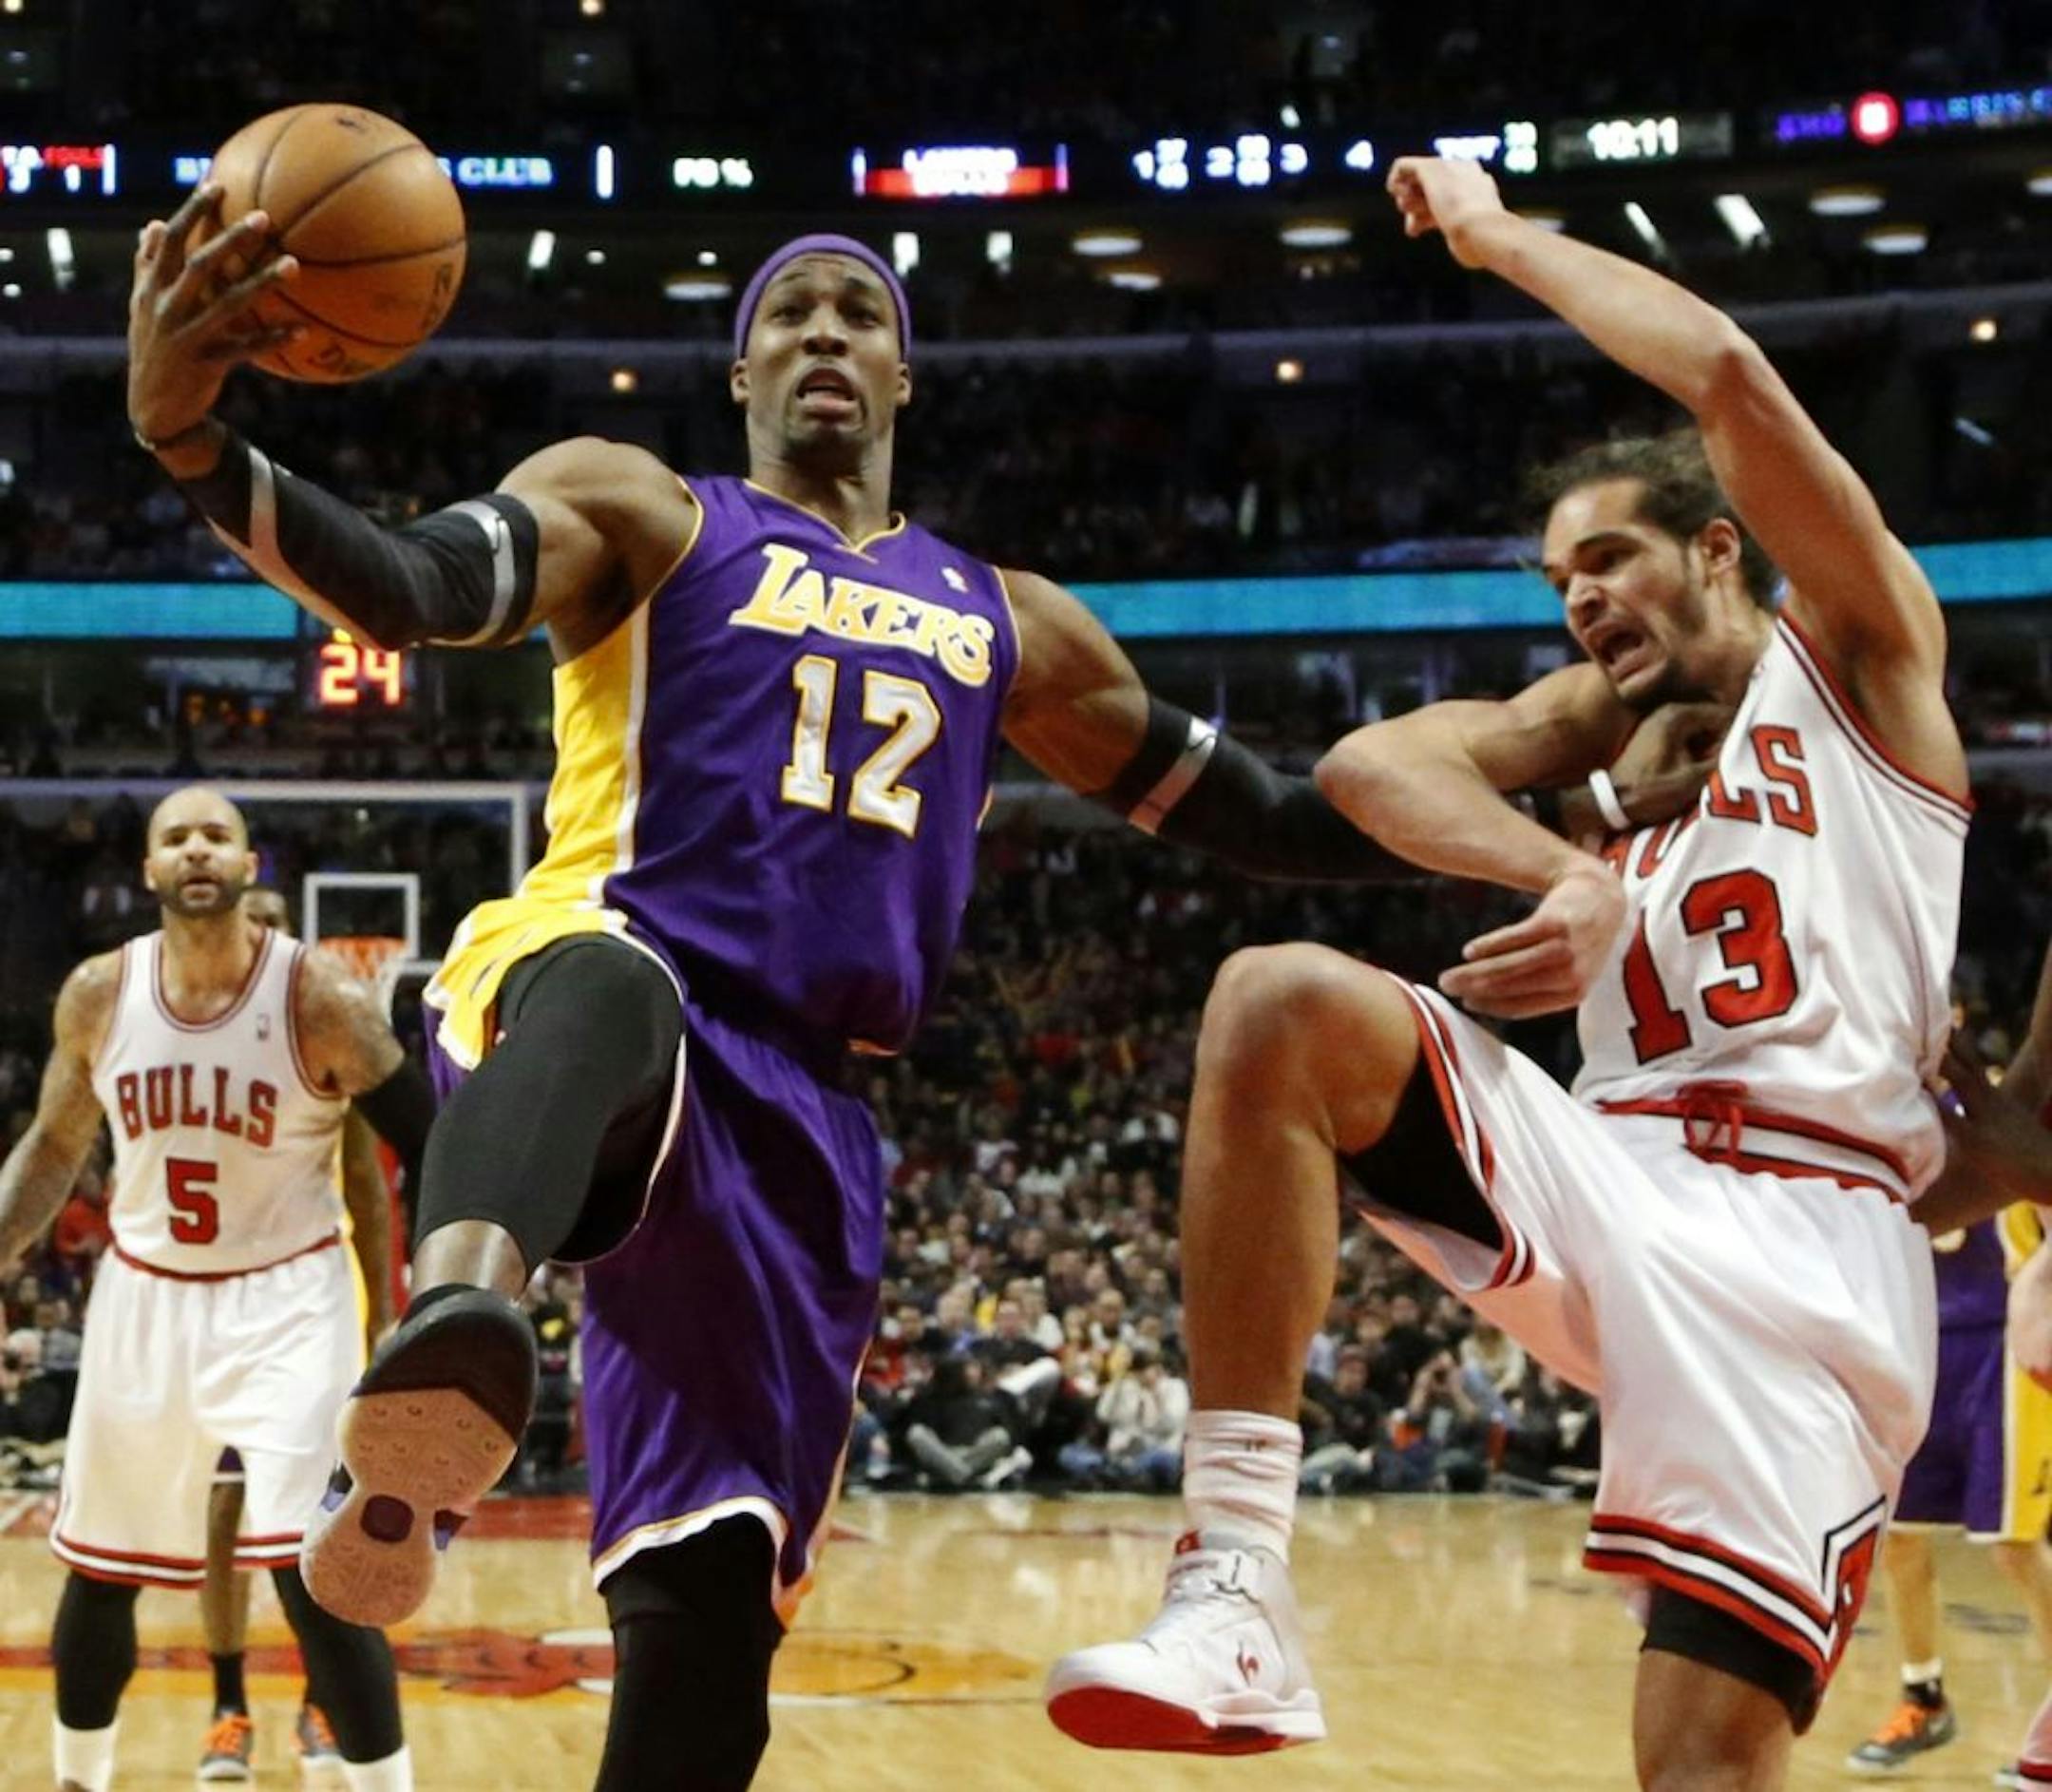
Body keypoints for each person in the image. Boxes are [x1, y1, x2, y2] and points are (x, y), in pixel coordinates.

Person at [125, 195, 1706, 1791]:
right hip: (605, 988)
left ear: (905, 377)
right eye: (793, 313)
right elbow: (404, 584)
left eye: (859, 314)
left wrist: (1581, 746)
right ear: (741, 368)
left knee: (714, 1606)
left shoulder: (1005, 619)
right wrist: (195, 442)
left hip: (807, 1114)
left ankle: (478, 1453)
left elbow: (1279, 822)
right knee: (611, 987)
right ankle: (456, 1330)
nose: (826, 334)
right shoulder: (642, 511)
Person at [1047, 153, 1968, 1792]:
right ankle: (1237, 1587)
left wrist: (1493, 238)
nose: (1581, 598)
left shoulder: (1864, 666)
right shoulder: (1599, 754)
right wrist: (1564, 869)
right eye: (1556, 581)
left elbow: (1726, 375)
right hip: (1620, 1177)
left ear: (1716, 548)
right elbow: (1365, 766)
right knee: (1278, 1003)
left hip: (1821, 1248)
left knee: (1698, 1767)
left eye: (1607, 559)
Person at [0, 788, 435, 1792]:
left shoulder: (322, 996)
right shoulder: (98, 994)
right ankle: (79, 1778)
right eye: (175, 836)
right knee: (101, 1571)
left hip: (288, 1297)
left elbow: (421, 1146)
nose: (197, 848)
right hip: (146, 1294)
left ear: (251, 863)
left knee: (318, 1578)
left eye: (218, 834)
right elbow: (56, 1146)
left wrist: (428, 1300)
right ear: (149, 871)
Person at [197, 886, 395, 1782]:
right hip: (201, 1310)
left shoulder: (322, 1038)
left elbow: (366, 1185)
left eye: (273, 924)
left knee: (319, 1526)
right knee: (222, 1514)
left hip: (306, 1311)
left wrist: (386, 1313)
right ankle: (228, 1703)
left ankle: (324, 1696)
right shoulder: (181, 1040)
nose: (261, 936)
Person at [1843, 1203, 2052, 1782]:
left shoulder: (2012, 1116)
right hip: (1916, 1340)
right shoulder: (1898, 1118)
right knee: (1901, 1535)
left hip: (2005, 1338)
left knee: (2013, 1542)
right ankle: (1923, 1697)